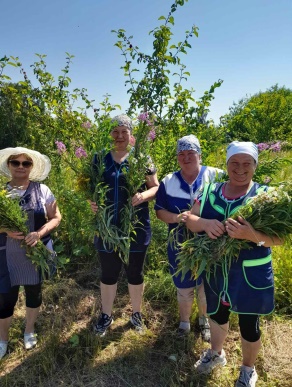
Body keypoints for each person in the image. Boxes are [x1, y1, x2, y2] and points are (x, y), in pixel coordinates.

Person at [184, 141, 282, 387]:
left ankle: (248, 369)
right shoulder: (209, 191)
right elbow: (190, 219)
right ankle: (216, 354)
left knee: (249, 324)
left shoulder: (266, 197)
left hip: (250, 275)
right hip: (217, 271)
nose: (240, 169)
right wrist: (205, 224)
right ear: (226, 165)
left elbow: (280, 238)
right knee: (217, 314)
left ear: (255, 166)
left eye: (246, 163)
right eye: (234, 163)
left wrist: (252, 235)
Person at [90, 114, 159, 336]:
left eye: (124, 132)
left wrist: (143, 195)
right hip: (107, 227)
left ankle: (136, 314)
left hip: (136, 227)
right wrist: (92, 202)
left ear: (131, 135)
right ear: (110, 134)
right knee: (109, 273)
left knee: (135, 273)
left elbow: (156, 187)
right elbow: (90, 189)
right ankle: (106, 315)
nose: (119, 136)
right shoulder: (99, 158)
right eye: (115, 131)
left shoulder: (142, 158)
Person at [155, 134, 224, 340]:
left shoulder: (216, 176)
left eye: (190, 153)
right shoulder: (168, 181)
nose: (186, 158)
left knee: (205, 287)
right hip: (179, 244)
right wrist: (177, 218)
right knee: (184, 287)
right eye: (181, 154)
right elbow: (159, 211)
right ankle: (184, 323)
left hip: (210, 243)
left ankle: (204, 321)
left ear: (199, 155)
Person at [0, 147, 61, 359]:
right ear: (8, 166)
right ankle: (3, 339)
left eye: (26, 163)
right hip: (6, 254)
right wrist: (5, 230)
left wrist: (39, 232)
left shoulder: (42, 190)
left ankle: (29, 330)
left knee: (34, 293)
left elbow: (55, 217)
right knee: (5, 298)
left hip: (35, 253)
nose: (20, 167)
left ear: (31, 167)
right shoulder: (1, 192)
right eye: (15, 163)